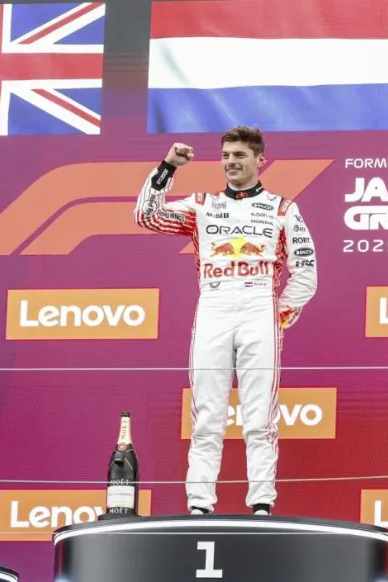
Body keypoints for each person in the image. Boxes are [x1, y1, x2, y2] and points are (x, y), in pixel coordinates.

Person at [133, 126, 318, 516]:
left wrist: (277, 314)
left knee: (259, 416)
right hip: (213, 305)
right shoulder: (202, 204)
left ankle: (262, 504)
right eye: (226, 156)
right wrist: (167, 167)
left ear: (259, 160)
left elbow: (307, 272)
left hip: (258, 306)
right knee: (207, 415)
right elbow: (146, 217)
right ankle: (200, 504)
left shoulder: (283, 208)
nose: (231, 162)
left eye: (239, 155)